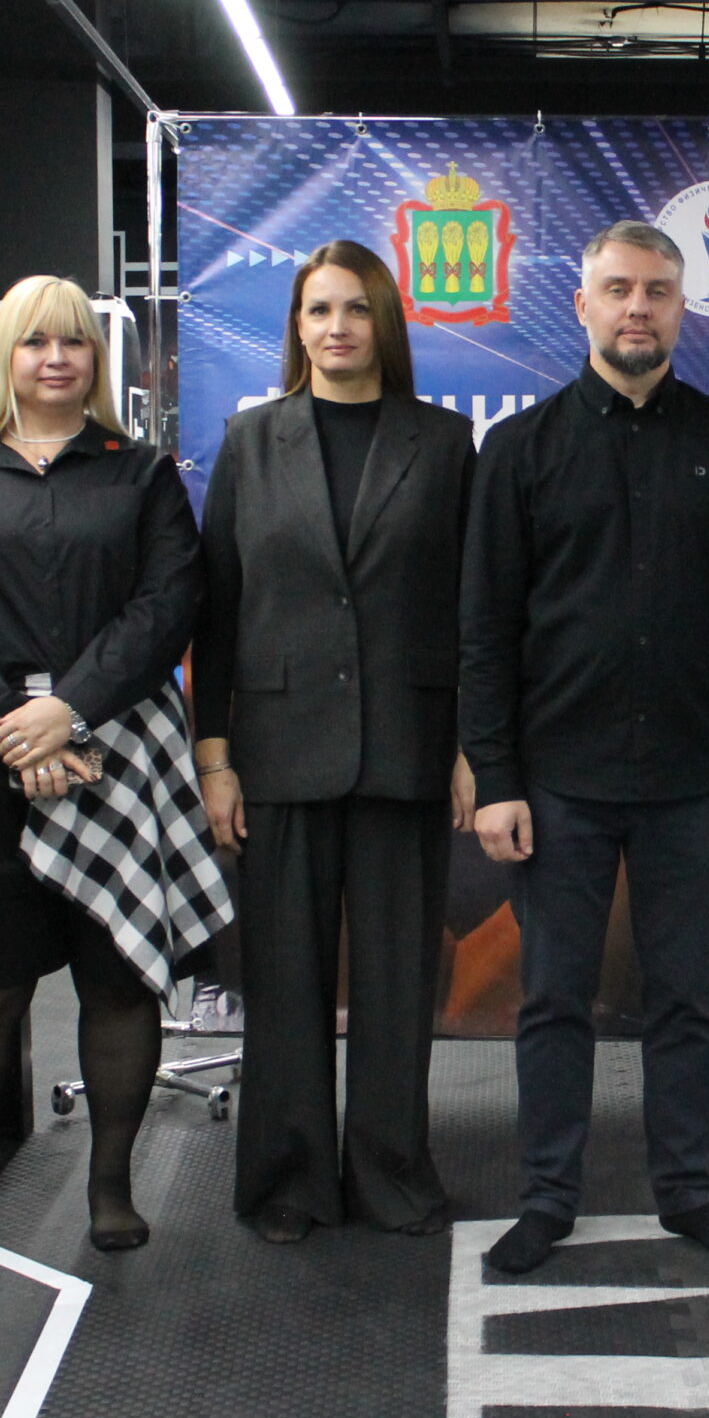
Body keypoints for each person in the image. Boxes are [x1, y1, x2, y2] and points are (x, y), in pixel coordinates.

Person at [461, 220, 709, 1276]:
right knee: (554, 998)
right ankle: (547, 1196)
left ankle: (686, 1189)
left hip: (694, 780)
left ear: (682, 307)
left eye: (656, 290)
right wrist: (496, 777)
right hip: (557, 781)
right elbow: (484, 631)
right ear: (582, 305)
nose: (637, 308)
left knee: (684, 997)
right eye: (617, 289)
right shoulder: (518, 450)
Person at [0, 275, 218, 1267]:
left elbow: (167, 605)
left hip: (116, 755)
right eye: (35, 342)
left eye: (73, 342)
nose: (56, 358)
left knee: (118, 989)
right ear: (5, 357)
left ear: (94, 359)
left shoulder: (140, 474)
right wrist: (11, 725)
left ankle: (110, 1191)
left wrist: (66, 712)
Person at [194, 240, 477, 1244]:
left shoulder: (444, 444)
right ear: (297, 327)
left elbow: (471, 608)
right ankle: (289, 1180)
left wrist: (470, 746)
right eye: (319, 309)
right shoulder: (250, 441)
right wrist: (215, 756)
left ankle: (392, 1173)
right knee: (285, 983)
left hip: (408, 744)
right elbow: (216, 611)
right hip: (278, 750)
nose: (338, 327)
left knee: (399, 984)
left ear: (384, 322)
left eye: (356, 308)